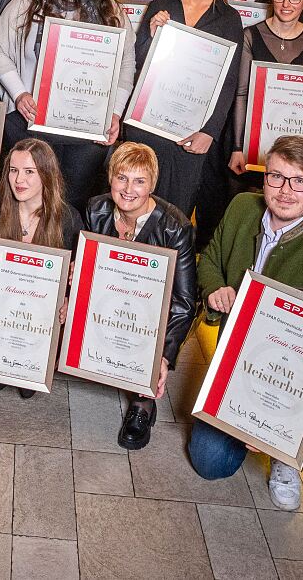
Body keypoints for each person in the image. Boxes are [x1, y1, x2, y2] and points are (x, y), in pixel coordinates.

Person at [190, 135, 303, 511]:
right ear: (264, 178)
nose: (286, 191)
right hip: (242, 356)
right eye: (276, 177)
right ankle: (246, 429)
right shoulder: (240, 207)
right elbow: (211, 260)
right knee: (209, 463)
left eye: (299, 181)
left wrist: (275, 426)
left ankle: (287, 456)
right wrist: (215, 288)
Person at [195, 0, 303, 254]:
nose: (286, 4)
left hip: (289, 151)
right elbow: (240, 94)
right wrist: (238, 147)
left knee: (279, 221)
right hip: (247, 143)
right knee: (234, 218)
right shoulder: (251, 35)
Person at [0, 0, 133, 212]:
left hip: (86, 132)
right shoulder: (28, 2)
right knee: (28, 204)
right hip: (32, 122)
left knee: (73, 208)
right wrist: (19, 94)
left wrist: (114, 111)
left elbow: (127, 64)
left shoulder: (109, 10)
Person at [121, 0, 243, 218]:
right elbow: (135, 64)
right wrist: (150, 35)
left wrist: (210, 132)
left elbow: (229, 82)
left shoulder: (227, 18)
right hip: (148, 126)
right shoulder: (162, 6)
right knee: (134, 206)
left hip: (192, 135)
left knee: (174, 215)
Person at [84, 142, 197, 450]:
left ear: (153, 185)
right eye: (122, 178)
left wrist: (164, 356)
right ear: (110, 178)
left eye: (139, 181)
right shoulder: (96, 208)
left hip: (152, 313)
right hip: (109, 299)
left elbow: (185, 302)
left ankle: (143, 403)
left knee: (148, 348)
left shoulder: (176, 227)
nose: (129, 189)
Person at [0, 138, 83, 397]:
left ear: (47, 175)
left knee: (29, 386)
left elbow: (75, 278)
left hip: (40, 314)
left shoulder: (68, 218)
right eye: (13, 170)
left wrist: (70, 299)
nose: (19, 180)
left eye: (29, 172)